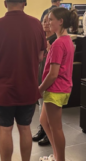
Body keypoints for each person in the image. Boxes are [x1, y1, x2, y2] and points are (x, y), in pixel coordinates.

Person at [0, 0, 46, 161]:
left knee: (5, 128)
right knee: (25, 127)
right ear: (25, 3)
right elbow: (40, 56)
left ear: (5, 4)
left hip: (2, 89)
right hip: (28, 87)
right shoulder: (36, 24)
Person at [39, 7, 78, 161]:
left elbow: (53, 74)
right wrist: (49, 50)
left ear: (60, 22)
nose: (48, 22)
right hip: (61, 88)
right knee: (43, 121)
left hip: (55, 89)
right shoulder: (65, 40)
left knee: (56, 128)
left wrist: (40, 89)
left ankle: (59, 159)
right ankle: (56, 156)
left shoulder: (58, 44)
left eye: (51, 19)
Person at [32, 14, 57, 146]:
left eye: (49, 21)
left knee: (48, 109)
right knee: (41, 106)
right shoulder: (42, 39)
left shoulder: (55, 41)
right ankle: (42, 129)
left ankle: (48, 133)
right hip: (39, 74)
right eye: (44, 21)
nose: (46, 23)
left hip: (49, 78)